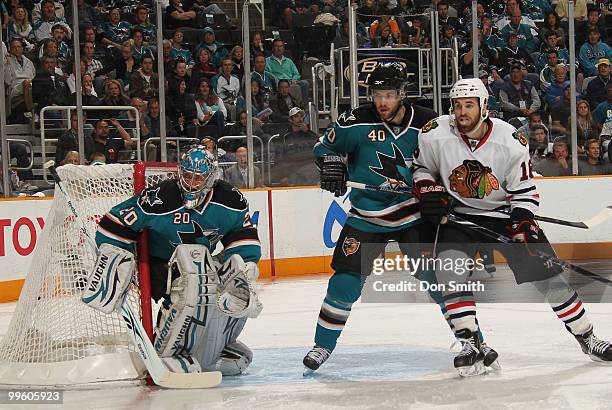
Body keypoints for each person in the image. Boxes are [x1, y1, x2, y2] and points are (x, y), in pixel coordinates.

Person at [412, 78, 612, 376]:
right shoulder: (435, 133)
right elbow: (422, 169)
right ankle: (469, 342)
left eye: (469, 105)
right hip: (459, 217)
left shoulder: (509, 139)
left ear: (484, 108)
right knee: (450, 273)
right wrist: (428, 190)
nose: (462, 111)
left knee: (551, 279)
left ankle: (587, 336)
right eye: (457, 105)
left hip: (505, 216)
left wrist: (523, 223)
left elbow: (524, 189)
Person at [302, 65, 487, 374]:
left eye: (389, 95)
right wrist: (332, 163)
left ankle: (475, 343)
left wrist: (441, 190)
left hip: (414, 215)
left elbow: (456, 158)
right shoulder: (354, 121)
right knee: (344, 282)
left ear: (403, 94)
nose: (382, 102)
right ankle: (322, 345)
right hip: (368, 216)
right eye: (377, 95)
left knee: (440, 280)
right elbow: (324, 147)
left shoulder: (431, 123)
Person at [82, 145, 262, 375]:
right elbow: (113, 224)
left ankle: (213, 347)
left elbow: (241, 233)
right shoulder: (159, 197)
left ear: (211, 178)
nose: (191, 183)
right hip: (158, 266)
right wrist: (119, 257)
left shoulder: (230, 199)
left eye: (198, 178)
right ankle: (167, 352)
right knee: (193, 284)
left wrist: (246, 263)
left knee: (232, 288)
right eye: (187, 175)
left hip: (200, 264)